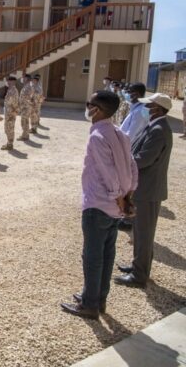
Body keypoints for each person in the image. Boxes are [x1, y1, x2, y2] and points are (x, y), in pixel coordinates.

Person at [60, 91, 137, 319]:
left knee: (92, 256)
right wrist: (127, 195)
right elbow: (132, 167)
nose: (87, 108)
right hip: (114, 207)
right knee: (107, 252)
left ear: (97, 110)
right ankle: (98, 297)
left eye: (89, 104)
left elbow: (108, 172)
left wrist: (119, 196)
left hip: (99, 204)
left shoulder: (98, 136)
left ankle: (90, 304)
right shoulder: (119, 133)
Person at [115, 93, 173, 288]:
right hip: (145, 189)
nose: (146, 109)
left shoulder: (158, 130)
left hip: (148, 190)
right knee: (139, 232)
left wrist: (123, 162)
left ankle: (139, 276)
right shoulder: (155, 126)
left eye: (150, 106)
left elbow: (144, 159)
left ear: (158, 109)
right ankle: (137, 266)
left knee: (144, 234)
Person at [1, 76, 19, 151]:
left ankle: (10, 144)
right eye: (7, 81)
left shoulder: (13, 91)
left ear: (13, 82)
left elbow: (14, 104)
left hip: (11, 113)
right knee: (7, 128)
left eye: (9, 81)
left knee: (10, 128)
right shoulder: (10, 90)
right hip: (8, 113)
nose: (7, 82)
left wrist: (13, 112)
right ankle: (9, 143)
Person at [18, 74, 34, 141]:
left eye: (23, 78)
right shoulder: (26, 86)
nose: (22, 79)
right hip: (24, 107)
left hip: (25, 107)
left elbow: (27, 98)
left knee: (24, 122)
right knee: (25, 121)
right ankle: (25, 135)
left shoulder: (28, 87)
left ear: (26, 79)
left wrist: (21, 104)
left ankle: (25, 136)